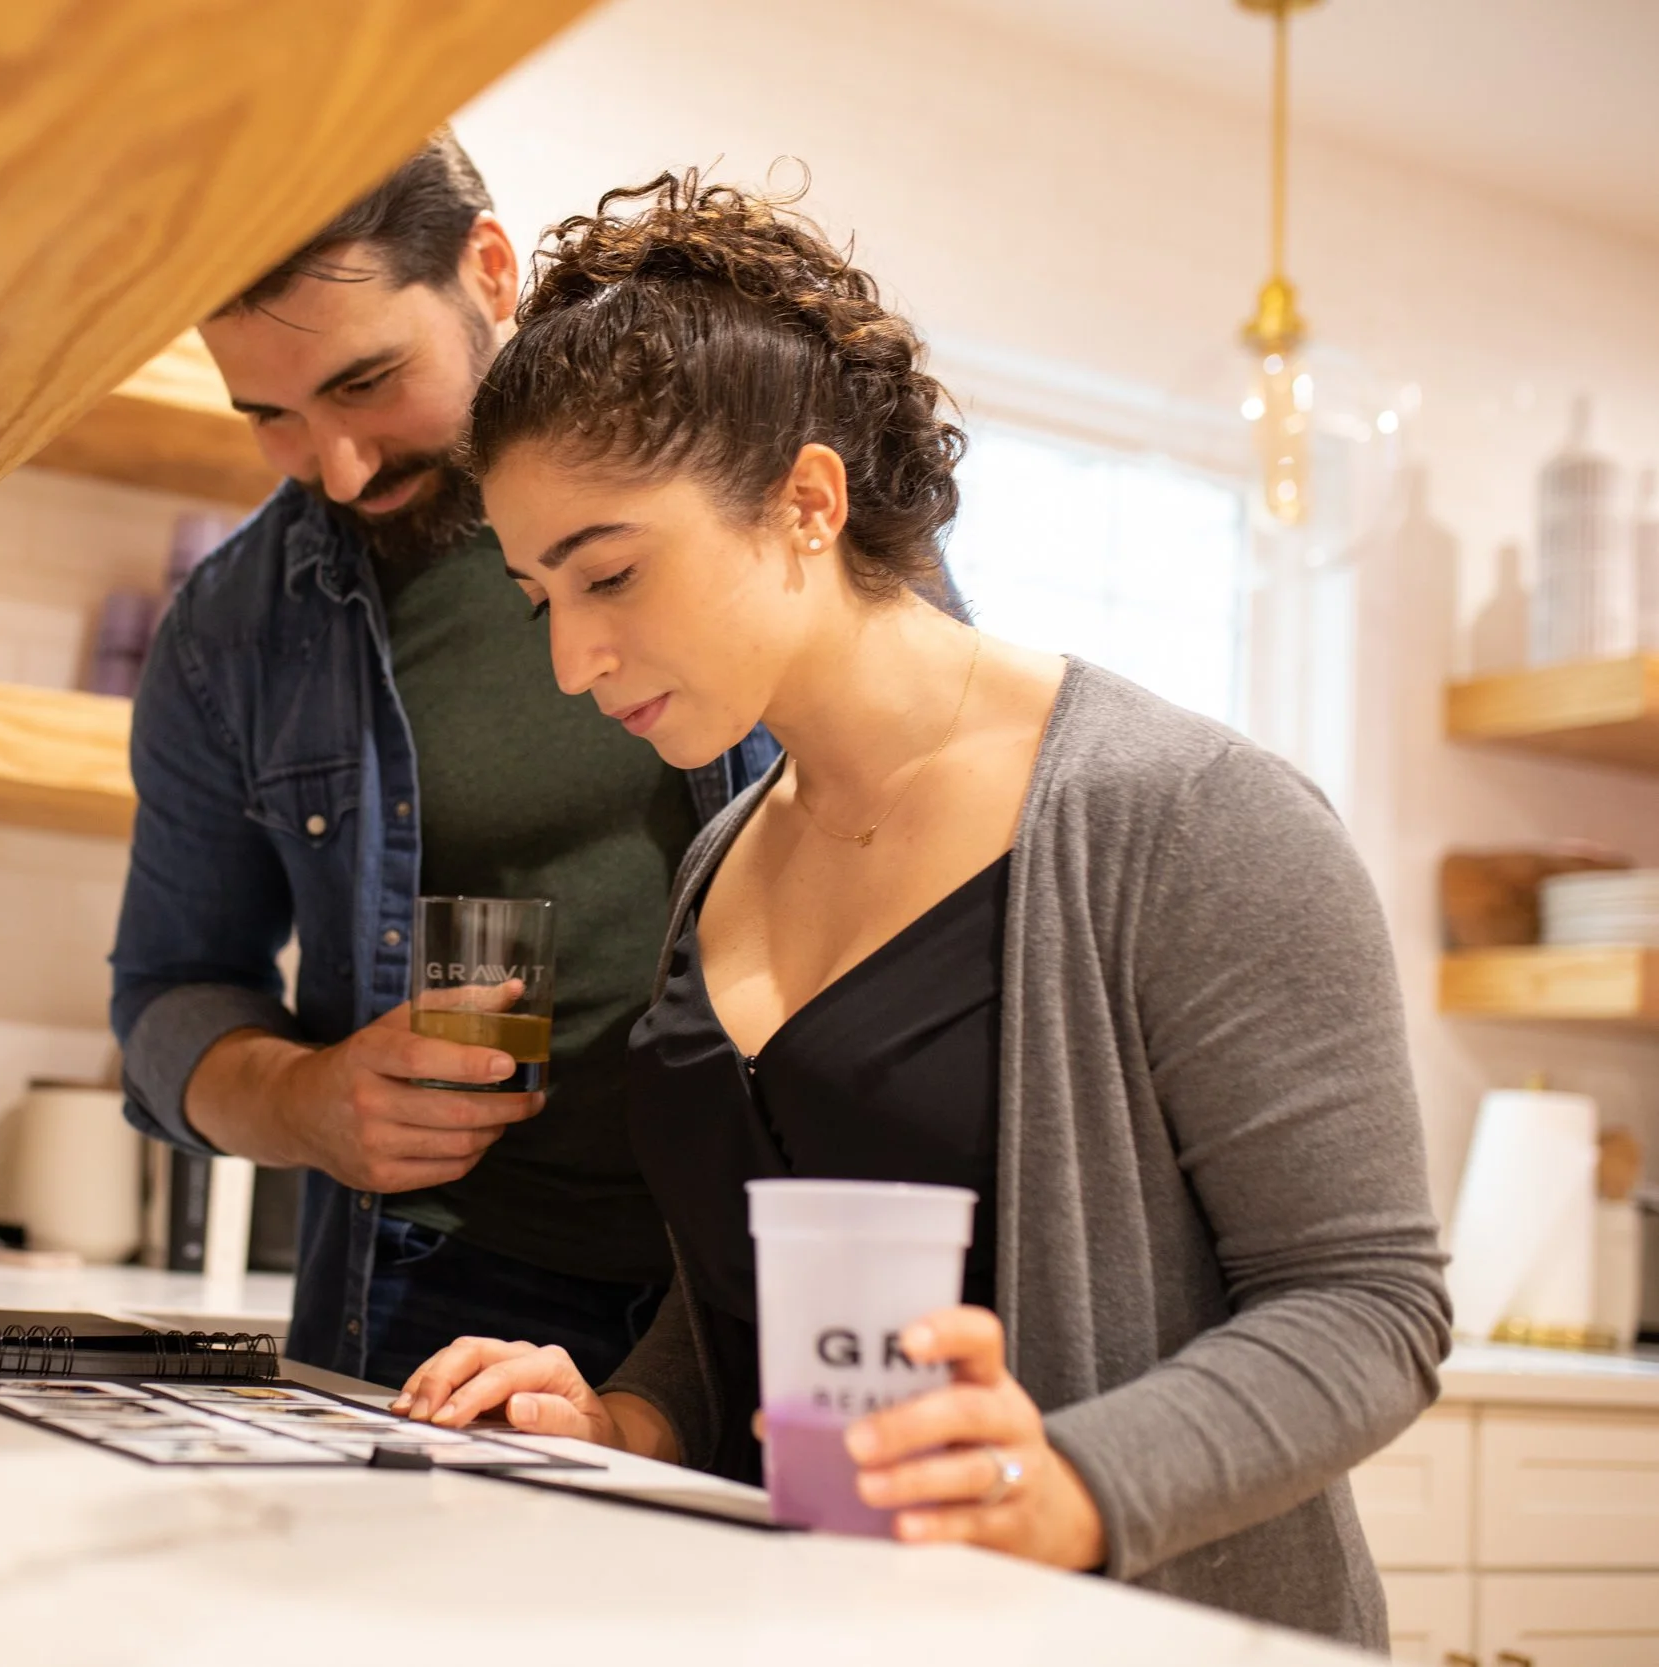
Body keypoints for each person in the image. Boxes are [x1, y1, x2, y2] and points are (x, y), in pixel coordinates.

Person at [390, 172, 1451, 1649]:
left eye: (612, 573)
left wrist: (1072, 1479)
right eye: (539, 599)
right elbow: (755, 1293)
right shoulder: (722, 856)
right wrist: (626, 1414)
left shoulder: (1187, 818)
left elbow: (1368, 1305)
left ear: (808, 500)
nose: (574, 658)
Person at [109, 133, 820, 1385]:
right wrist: (307, 1099)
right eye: (270, 415)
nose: (337, 463)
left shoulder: (733, 478)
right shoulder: (232, 633)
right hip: (443, 1280)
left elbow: (922, 792)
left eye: (369, 381)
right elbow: (168, 991)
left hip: (782, 1249)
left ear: (488, 270)